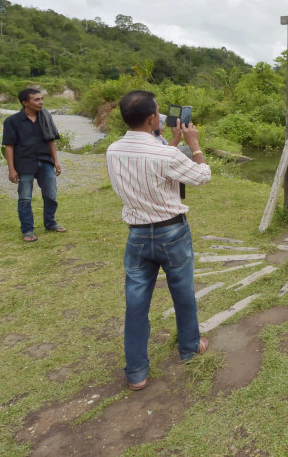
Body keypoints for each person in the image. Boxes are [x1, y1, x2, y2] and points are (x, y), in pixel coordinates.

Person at [105, 90, 212, 391]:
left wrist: (174, 144)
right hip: (172, 232)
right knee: (182, 291)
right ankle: (190, 347)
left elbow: (154, 166)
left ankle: (137, 372)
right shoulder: (166, 154)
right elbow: (202, 176)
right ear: (152, 118)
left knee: (136, 302)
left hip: (137, 234)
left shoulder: (113, 150)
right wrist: (194, 145)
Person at [2, 88, 64, 242]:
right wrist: (11, 169)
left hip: (45, 161)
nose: (41, 102)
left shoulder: (46, 117)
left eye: (41, 99)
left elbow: (51, 141)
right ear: (25, 103)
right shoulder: (12, 121)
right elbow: (9, 146)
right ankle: (28, 231)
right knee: (25, 198)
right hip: (24, 164)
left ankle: (50, 223)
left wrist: (55, 161)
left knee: (51, 196)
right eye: (36, 100)